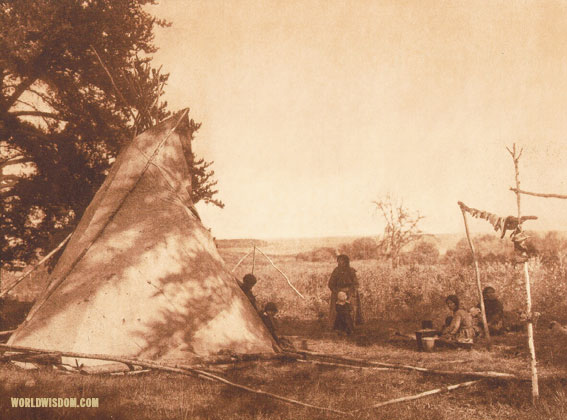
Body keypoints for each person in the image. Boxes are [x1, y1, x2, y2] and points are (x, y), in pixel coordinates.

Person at [328, 254, 362, 327]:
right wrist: (337, 292)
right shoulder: (336, 271)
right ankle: (336, 326)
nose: (340, 263)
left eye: (343, 262)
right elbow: (331, 284)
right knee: (337, 309)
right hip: (337, 292)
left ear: (347, 262)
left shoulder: (351, 271)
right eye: (339, 262)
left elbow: (356, 284)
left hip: (350, 292)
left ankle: (352, 324)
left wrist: (349, 293)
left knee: (351, 308)